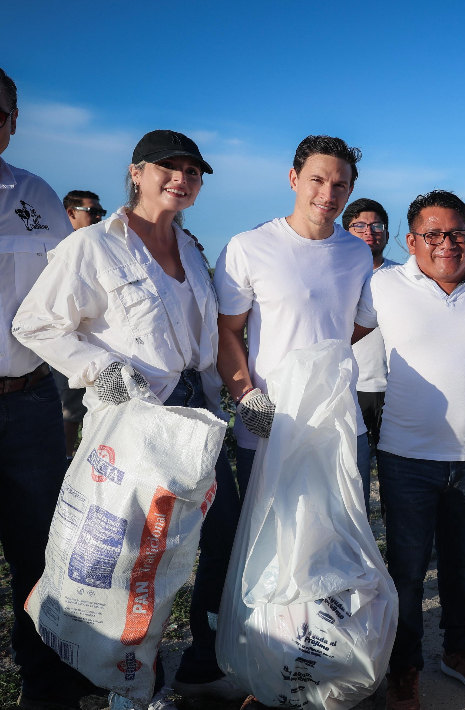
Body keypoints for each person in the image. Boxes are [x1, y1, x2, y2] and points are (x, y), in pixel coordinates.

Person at [13, 130, 244, 708]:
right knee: (137, 562)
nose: (182, 178)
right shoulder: (92, 245)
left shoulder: (191, 248)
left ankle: (200, 664)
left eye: (193, 171)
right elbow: (35, 325)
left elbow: (204, 343)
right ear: (136, 172)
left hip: (195, 417)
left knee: (219, 539)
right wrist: (99, 367)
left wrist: (233, 400)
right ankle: (132, 684)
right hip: (136, 421)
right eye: (168, 167)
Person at [350, 190, 465, 710]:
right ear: (411, 241)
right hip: (405, 457)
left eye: (458, 234)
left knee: (460, 564)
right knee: (406, 570)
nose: (447, 244)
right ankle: (405, 665)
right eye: (434, 234)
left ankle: (458, 649)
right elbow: (338, 337)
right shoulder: (383, 285)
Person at [0, 65, 99, 710]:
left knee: (39, 556)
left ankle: (50, 690)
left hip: (27, 403)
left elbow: (81, 295)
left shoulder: (35, 194)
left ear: (9, 123)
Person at [212, 135, 377, 496]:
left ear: (349, 192)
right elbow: (226, 331)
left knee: (346, 539)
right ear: (294, 179)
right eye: (317, 180)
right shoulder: (249, 246)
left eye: (339, 185)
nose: (327, 194)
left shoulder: (357, 253)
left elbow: (351, 327)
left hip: (341, 423)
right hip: (271, 423)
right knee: (271, 544)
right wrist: (246, 397)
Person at [344, 196, 398, 506]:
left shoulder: (403, 277)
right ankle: (359, 549)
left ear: (387, 233)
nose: (370, 231)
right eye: (360, 225)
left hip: (395, 389)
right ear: (345, 231)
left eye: (377, 225)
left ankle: (402, 551)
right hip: (352, 388)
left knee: (398, 478)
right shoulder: (338, 276)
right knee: (354, 478)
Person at [51, 190, 105, 457]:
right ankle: (62, 469)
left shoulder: (100, 248)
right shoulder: (58, 249)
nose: (98, 216)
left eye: (100, 212)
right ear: (70, 213)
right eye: (92, 211)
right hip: (66, 342)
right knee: (70, 410)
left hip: (96, 345)